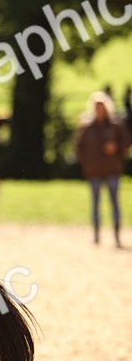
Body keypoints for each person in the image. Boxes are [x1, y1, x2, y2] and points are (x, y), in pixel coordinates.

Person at [74, 91, 129, 247]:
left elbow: (126, 143)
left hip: (112, 169)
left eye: (101, 106)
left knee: (114, 203)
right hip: (94, 171)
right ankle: (96, 235)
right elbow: (78, 147)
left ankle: (117, 234)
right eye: (96, 106)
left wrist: (116, 148)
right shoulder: (86, 127)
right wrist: (85, 161)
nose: (99, 109)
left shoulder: (115, 126)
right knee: (95, 203)